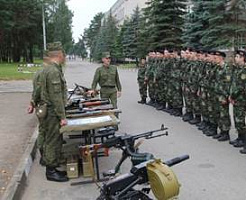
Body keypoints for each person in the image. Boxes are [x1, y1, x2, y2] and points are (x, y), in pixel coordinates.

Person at [39, 42, 68, 182]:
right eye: (63, 54)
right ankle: (50, 171)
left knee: (53, 140)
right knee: (52, 141)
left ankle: (53, 167)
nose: (64, 57)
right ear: (59, 55)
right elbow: (56, 97)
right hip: (52, 112)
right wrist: (62, 116)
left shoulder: (49, 69)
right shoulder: (53, 71)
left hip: (50, 111)